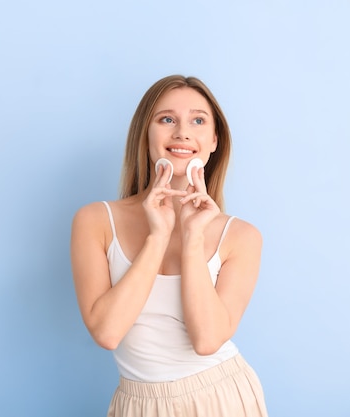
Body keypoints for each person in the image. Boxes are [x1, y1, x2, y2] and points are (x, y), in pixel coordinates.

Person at [70, 75, 268, 417]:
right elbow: (107, 332)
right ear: (145, 133)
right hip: (137, 404)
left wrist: (192, 239)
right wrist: (157, 236)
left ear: (214, 140)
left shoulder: (241, 237)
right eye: (166, 119)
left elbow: (207, 341)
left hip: (221, 397)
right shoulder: (95, 221)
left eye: (198, 120)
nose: (182, 132)